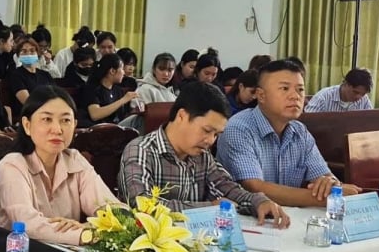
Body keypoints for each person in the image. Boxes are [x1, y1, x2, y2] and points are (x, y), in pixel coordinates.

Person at [120, 82, 290, 227]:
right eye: (207, 130)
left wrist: (259, 201)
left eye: (216, 134)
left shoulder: (202, 155)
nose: (210, 140)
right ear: (181, 116)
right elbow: (142, 206)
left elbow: (227, 187)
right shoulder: (141, 151)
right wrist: (208, 208)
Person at [218, 60, 361, 207]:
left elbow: (324, 177)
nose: (295, 96)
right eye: (285, 88)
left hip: (290, 216)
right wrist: (330, 198)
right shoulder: (239, 129)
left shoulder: (300, 131)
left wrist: (331, 184)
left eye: (300, 89)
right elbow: (255, 188)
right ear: (261, 95)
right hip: (244, 216)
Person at [0, 85, 120, 245]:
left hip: (67, 251)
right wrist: (86, 234)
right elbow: (28, 225)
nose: (57, 129)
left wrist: (89, 227)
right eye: (47, 119)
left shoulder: (74, 159)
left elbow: (114, 210)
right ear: (27, 125)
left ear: (74, 125)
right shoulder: (12, 164)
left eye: (66, 120)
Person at [76, 53, 138, 128]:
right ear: (112, 71)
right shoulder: (91, 88)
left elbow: (121, 116)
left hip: (117, 127)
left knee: (138, 119)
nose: (123, 72)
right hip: (97, 129)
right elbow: (95, 115)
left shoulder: (118, 90)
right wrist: (123, 100)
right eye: (121, 69)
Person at [7, 37, 54, 105]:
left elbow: (56, 94)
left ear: (37, 53)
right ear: (18, 55)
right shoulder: (16, 76)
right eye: (24, 51)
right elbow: (28, 103)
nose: (28, 54)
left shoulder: (45, 74)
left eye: (32, 51)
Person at [305, 68, 374, 113]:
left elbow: (371, 122)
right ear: (346, 83)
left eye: (363, 94)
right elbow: (308, 122)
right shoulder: (323, 98)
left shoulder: (364, 99)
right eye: (355, 92)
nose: (359, 97)